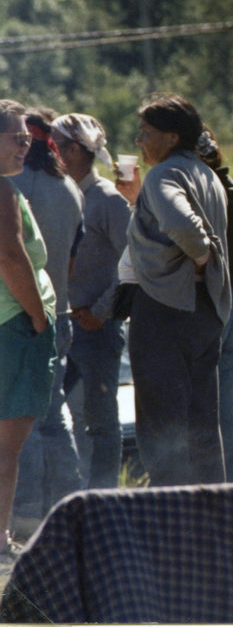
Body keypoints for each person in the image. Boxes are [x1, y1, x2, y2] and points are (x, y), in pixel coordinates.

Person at [126, 94, 230, 486]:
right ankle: (213, 518)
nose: (140, 140)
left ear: (171, 137)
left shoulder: (163, 175)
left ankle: (170, 522)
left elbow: (185, 228)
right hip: (205, 309)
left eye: (145, 132)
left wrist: (201, 256)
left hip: (165, 310)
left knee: (163, 428)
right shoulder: (206, 173)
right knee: (204, 426)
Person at [10, 109, 84, 534]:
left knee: (23, 423)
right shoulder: (68, 186)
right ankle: (68, 506)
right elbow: (73, 257)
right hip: (60, 311)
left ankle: (24, 514)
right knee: (54, 417)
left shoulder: (14, 187)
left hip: (22, 315)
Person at [53, 113, 131, 490]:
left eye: (55, 144)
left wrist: (102, 311)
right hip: (67, 323)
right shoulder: (62, 194)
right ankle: (73, 494)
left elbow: (131, 264)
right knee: (60, 416)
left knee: (100, 420)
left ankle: (103, 495)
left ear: (73, 150)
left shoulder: (106, 200)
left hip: (96, 326)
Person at [0, 99, 57, 557]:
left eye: (28, 138)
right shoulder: (1, 190)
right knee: (6, 448)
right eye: (18, 138)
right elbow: (10, 257)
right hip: (13, 328)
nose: (26, 146)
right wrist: (38, 317)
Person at [196, 125, 233, 484]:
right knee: (226, 412)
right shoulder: (231, 187)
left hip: (217, 302)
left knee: (207, 411)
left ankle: (215, 490)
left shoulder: (204, 192)